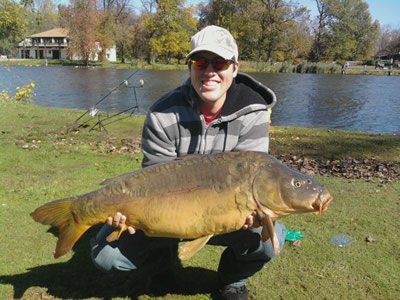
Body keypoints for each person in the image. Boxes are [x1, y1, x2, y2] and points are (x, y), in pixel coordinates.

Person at [90, 25, 287, 300]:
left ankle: (231, 282)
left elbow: (255, 175)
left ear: (234, 68)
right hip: (168, 210)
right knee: (106, 256)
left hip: (226, 212)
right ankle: (160, 268)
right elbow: (153, 182)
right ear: (190, 67)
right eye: (200, 62)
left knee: (268, 234)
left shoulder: (254, 111)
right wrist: (127, 212)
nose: (210, 71)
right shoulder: (162, 112)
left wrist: (256, 209)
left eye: (219, 63)